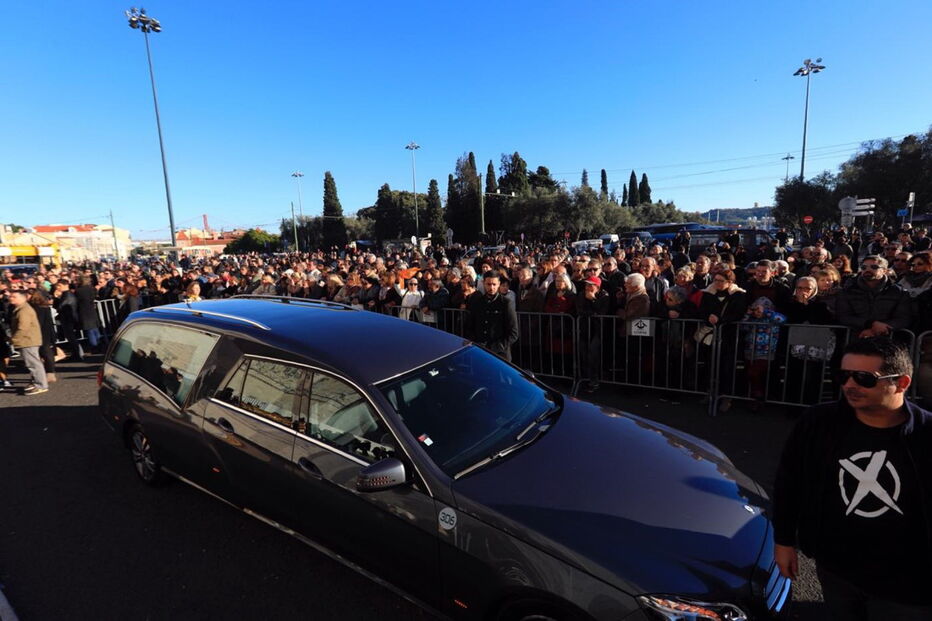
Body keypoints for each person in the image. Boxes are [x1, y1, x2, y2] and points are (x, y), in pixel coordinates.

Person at [773, 337, 932, 619]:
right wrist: (784, 540)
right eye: (843, 375)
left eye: (864, 378)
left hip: (909, 583)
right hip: (837, 568)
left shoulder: (926, 434)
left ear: (903, 383)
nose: (849, 385)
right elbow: (789, 483)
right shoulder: (818, 423)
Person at [835, 256, 912, 339]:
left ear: (884, 270)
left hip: (887, 338)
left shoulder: (899, 292)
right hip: (856, 337)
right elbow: (843, 316)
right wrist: (870, 324)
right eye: (864, 267)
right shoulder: (848, 291)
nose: (867, 270)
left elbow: (903, 318)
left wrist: (879, 329)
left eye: (874, 267)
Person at [466, 271, 519, 361]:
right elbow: (469, 326)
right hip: (480, 351)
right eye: (488, 284)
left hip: (500, 354)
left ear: (498, 284)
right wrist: (476, 343)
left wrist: (495, 347)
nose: (491, 287)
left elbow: (513, 333)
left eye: (494, 284)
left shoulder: (506, 303)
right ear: (483, 283)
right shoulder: (477, 302)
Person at [9, 290, 48, 395]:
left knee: (33, 364)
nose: (11, 298)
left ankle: (40, 385)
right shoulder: (20, 309)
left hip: (28, 340)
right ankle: (36, 382)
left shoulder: (24, 310)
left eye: (14, 296)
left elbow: (23, 327)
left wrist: (14, 340)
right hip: (28, 339)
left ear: (23, 297)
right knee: (33, 363)